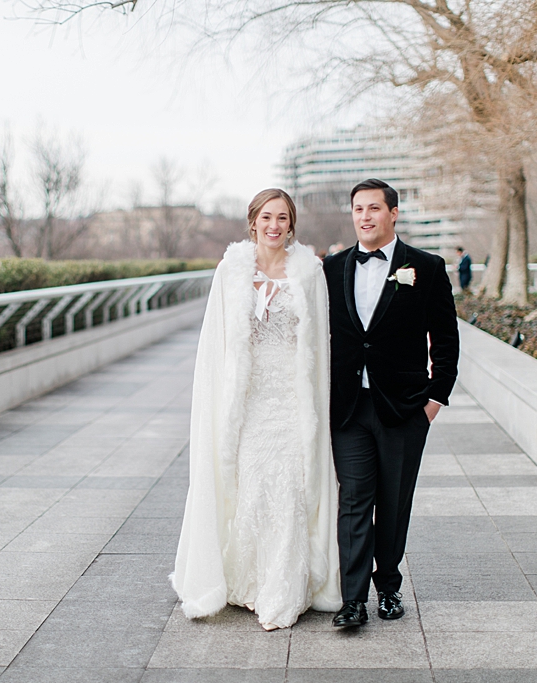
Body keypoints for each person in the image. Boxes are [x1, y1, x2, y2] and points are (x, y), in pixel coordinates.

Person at [172, 188, 342, 630]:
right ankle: (246, 580)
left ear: (291, 224)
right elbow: (215, 342)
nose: (274, 225)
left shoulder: (309, 272)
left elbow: (320, 344)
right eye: (266, 217)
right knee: (250, 487)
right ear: (253, 221)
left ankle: (283, 589)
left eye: (282, 218)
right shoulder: (231, 270)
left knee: (288, 488)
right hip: (247, 401)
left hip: (291, 399)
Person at [322, 178, 459, 628]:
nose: (365, 216)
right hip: (348, 409)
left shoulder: (427, 267)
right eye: (359, 208)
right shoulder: (331, 268)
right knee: (355, 500)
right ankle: (353, 599)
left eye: (374, 208)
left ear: (393, 213)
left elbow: (446, 340)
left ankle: (389, 588)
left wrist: (435, 398)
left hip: (404, 408)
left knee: (394, 502)